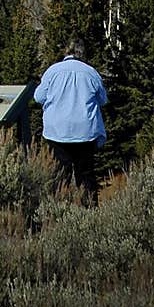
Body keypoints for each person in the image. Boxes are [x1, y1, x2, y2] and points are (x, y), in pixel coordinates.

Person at [33, 39, 107, 206]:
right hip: (85, 131)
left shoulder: (53, 71)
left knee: (60, 175)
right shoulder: (91, 72)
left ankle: (60, 209)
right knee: (86, 174)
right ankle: (90, 210)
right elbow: (103, 99)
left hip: (57, 131)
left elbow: (38, 97)